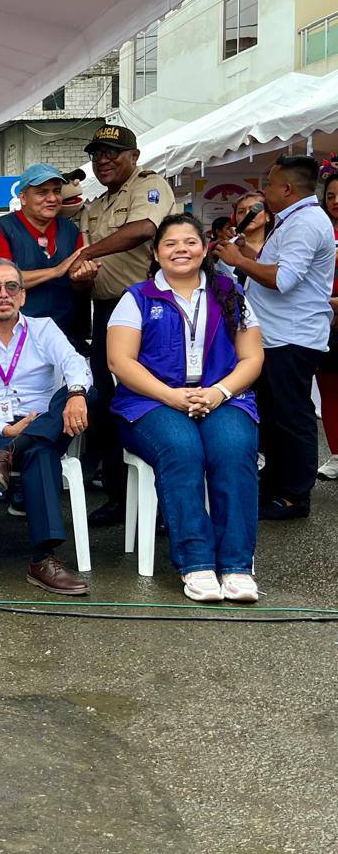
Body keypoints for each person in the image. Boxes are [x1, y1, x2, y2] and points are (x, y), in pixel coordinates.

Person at [108, 214, 263, 602]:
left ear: (205, 248)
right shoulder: (137, 298)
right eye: (171, 243)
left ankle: (237, 566)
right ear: (156, 253)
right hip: (149, 402)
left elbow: (252, 357)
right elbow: (119, 361)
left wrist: (220, 392)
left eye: (190, 242)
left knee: (234, 448)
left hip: (222, 397)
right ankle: (196, 562)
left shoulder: (229, 293)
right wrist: (170, 396)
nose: (181, 249)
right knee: (181, 449)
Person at [0, 259, 93, 595]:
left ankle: (12, 453)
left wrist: (75, 395)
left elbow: (74, 363)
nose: (3, 294)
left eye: (11, 287)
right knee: (41, 452)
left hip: (42, 420)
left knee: (81, 390)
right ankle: (43, 559)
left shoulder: (44, 329)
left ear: (23, 295)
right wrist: (6, 430)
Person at [215, 155, 335, 520]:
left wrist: (239, 260)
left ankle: (295, 496)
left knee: (291, 416)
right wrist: (246, 253)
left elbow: (283, 279)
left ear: (287, 188)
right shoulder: (294, 220)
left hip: (292, 337)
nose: (265, 191)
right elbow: (280, 266)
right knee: (273, 415)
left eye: (269, 184)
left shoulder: (307, 222)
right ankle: (275, 486)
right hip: (276, 336)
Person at [68, 125, 177, 527]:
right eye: (97, 154)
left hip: (149, 311)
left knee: (154, 399)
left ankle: (165, 504)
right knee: (109, 404)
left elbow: (144, 229)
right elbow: (83, 268)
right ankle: (119, 495)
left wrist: (86, 253)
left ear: (134, 156)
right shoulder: (95, 206)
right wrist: (79, 273)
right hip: (106, 312)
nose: (103, 160)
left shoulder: (150, 186)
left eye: (112, 153)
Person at [0, 164, 90, 348]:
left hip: (63, 337)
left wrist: (84, 277)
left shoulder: (70, 230)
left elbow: (78, 283)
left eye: (57, 191)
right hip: (10, 338)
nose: (52, 198)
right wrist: (55, 271)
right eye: (42, 192)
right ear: (23, 197)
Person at [316, 164, 338, 481]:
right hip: (325, 320)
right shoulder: (319, 230)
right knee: (330, 390)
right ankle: (336, 453)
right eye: (331, 196)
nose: (335, 201)